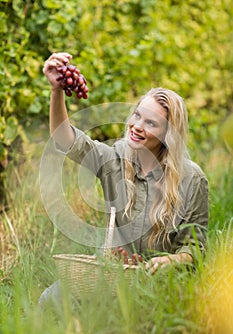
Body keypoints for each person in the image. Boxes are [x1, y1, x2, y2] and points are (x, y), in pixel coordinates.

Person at [39, 52, 208, 306]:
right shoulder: (114, 160)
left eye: (151, 123)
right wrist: (56, 91)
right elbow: (65, 139)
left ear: (168, 135)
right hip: (110, 276)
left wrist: (171, 260)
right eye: (137, 115)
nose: (137, 126)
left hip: (157, 285)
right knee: (50, 299)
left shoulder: (192, 179)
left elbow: (196, 248)